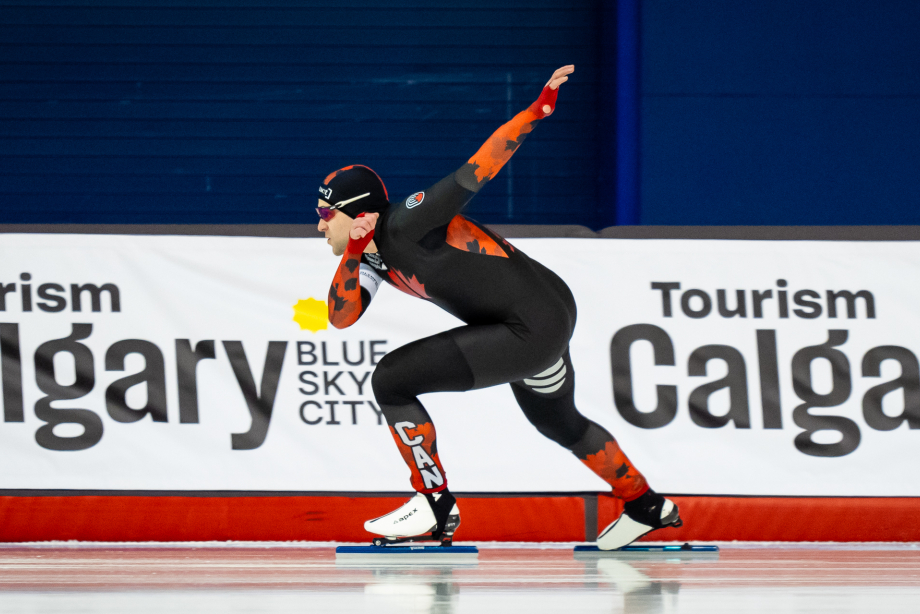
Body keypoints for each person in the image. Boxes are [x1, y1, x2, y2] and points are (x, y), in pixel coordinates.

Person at [316, 66, 681, 549]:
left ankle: (434, 504)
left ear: (359, 214)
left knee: (391, 380)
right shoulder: (367, 257)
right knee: (556, 420)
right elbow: (340, 318)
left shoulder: (406, 221)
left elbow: (476, 170)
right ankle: (647, 505)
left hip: (529, 325)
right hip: (544, 317)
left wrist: (536, 111)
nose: (320, 226)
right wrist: (356, 252)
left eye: (326, 215)